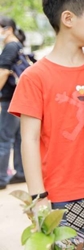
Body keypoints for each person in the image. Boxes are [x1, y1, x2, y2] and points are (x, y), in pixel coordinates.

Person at [9, 0, 84, 249]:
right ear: (68, 18)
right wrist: (38, 197)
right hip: (60, 196)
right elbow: (29, 140)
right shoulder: (35, 77)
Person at [0, 16, 27, 190]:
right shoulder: (19, 45)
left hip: (8, 100)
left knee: (4, 139)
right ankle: (20, 172)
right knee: (18, 138)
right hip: (18, 98)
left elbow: (3, 73)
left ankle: (1, 178)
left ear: (8, 29)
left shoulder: (10, 47)